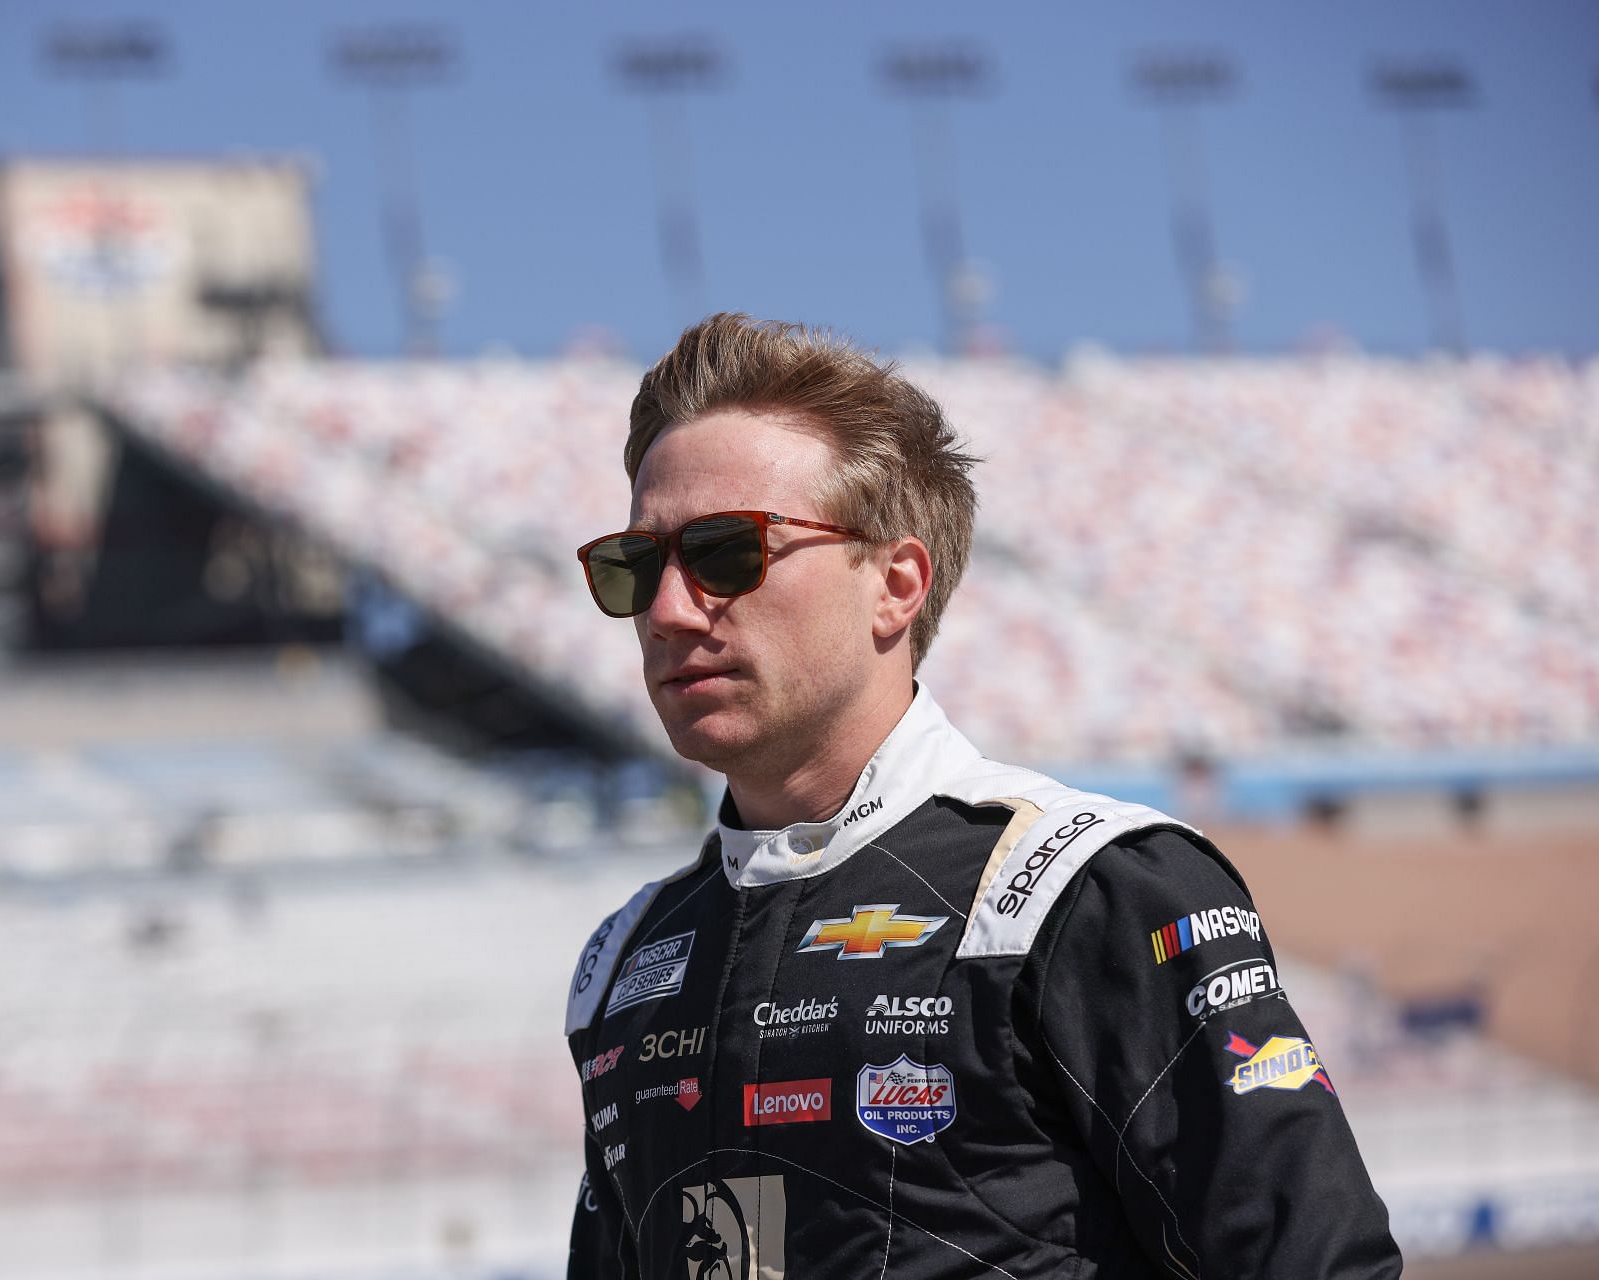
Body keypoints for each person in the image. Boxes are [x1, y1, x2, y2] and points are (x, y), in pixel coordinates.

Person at [564, 314, 1401, 1278]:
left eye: (725, 553)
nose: (668, 610)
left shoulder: (1086, 887)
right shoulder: (622, 961)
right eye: (634, 566)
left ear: (896, 583)